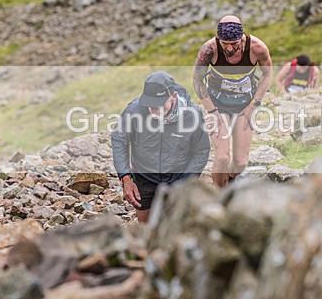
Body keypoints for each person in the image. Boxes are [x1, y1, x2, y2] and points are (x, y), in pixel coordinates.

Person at [111, 71, 211, 223]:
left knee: (173, 226)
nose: (153, 111)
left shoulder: (192, 115)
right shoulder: (134, 110)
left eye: (158, 106)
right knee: (145, 228)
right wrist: (125, 178)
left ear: (173, 96)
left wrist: (186, 181)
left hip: (178, 177)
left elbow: (201, 150)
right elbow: (119, 140)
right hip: (144, 176)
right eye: (150, 105)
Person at [192, 15, 273, 188]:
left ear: (241, 38)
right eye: (224, 43)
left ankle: (228, 183)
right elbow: (197, 81)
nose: (229, 48)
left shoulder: (257, 48)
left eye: (234, 44)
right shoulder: (209, 50)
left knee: (240, 163)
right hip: (217, 105)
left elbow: (267, 74)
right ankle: (219, 194)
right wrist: (212, 111)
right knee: (222, 158)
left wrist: (254, 105)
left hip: (244, 105)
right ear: (218, 38)